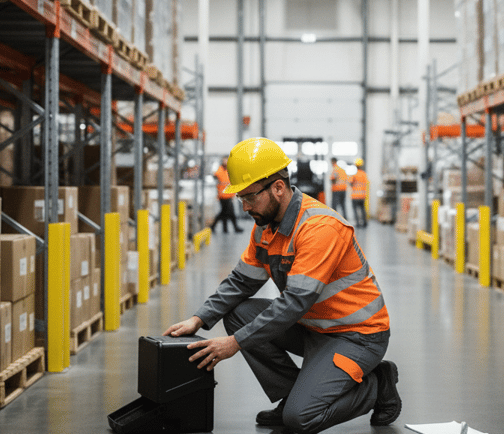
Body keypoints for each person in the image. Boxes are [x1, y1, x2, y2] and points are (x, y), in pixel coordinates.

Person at [164, 137, 401, 434]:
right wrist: (198, 318)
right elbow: (241, 281)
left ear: (278, 187)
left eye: (249, 196)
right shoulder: (266, 226)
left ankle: (378, 386)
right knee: (239, 314)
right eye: (240, 198)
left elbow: (294, 302)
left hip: (356, 335)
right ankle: (292, 395)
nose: (245, 206)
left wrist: (234, 344)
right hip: (314, 327)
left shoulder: (319, 228)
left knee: (300, 419)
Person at [211, 156, 244, 233]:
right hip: (223, 195)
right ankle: (215, 226)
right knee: (226, 212)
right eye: (224, 160)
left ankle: (224, 229)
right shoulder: (220, 170)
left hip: (229, 195)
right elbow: (217, 176)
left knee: (226, 212)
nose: (225, 162)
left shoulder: (229, 170)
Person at [350, 158, 369, 227]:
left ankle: (358, 223)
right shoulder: (364, 174)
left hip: (355, 196)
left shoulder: (354, 175)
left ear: (356, 165)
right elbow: (366, 183)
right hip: (362, 196)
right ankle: (364, 223)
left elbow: (351, 183)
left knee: (355, 210)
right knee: (362, 210)